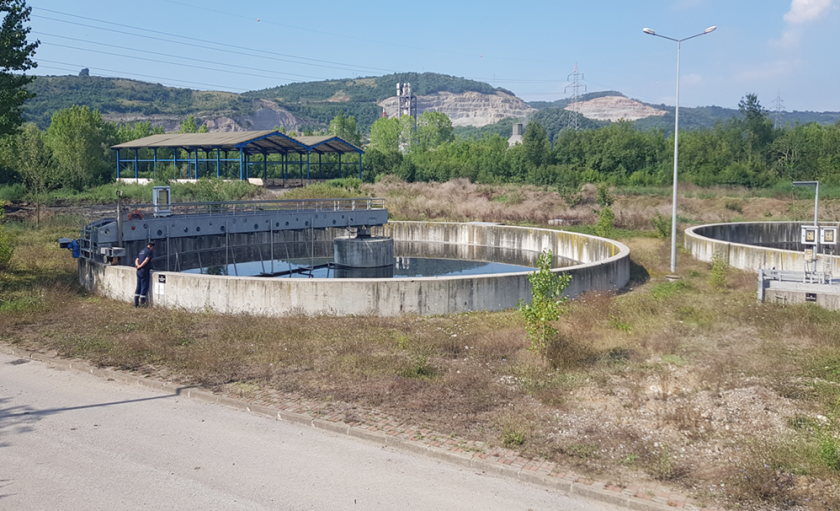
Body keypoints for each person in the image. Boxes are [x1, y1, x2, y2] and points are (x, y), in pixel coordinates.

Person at [134, 241, 155, 307]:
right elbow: (147, 259)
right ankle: (143, 304)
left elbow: (137, 259)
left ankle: (136, 303)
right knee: (144, 287)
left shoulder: (142, 251)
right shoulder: (149, 252)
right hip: (144, 271)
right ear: (152, 246)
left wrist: (137, 265)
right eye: (153, 248)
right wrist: (141, 266)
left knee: (138, 287)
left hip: (138, 271)